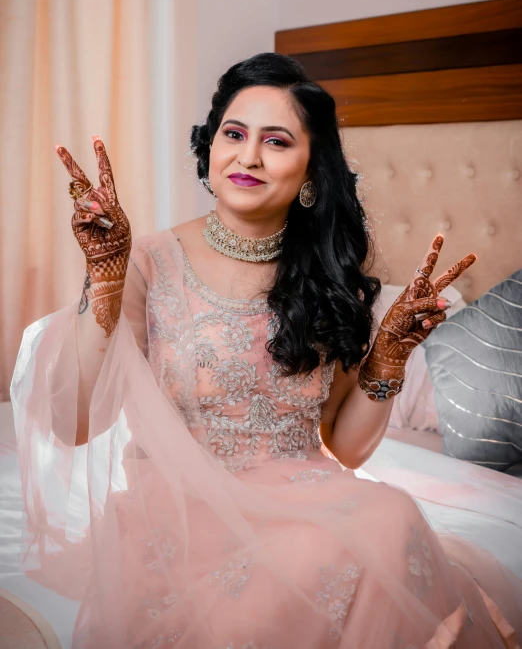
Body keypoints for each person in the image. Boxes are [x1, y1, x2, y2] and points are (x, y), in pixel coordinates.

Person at [11, 53, 522, 649]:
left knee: (390, 518)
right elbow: (72, 423)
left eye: (276, 141)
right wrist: (104, 275)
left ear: (310, 172)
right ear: (210, 149)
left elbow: (344, 446)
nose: (248, 156)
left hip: (305, 507)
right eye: (233, 134)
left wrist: (389, 357)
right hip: (182, 515)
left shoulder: (329, 275)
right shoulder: (146, 261)